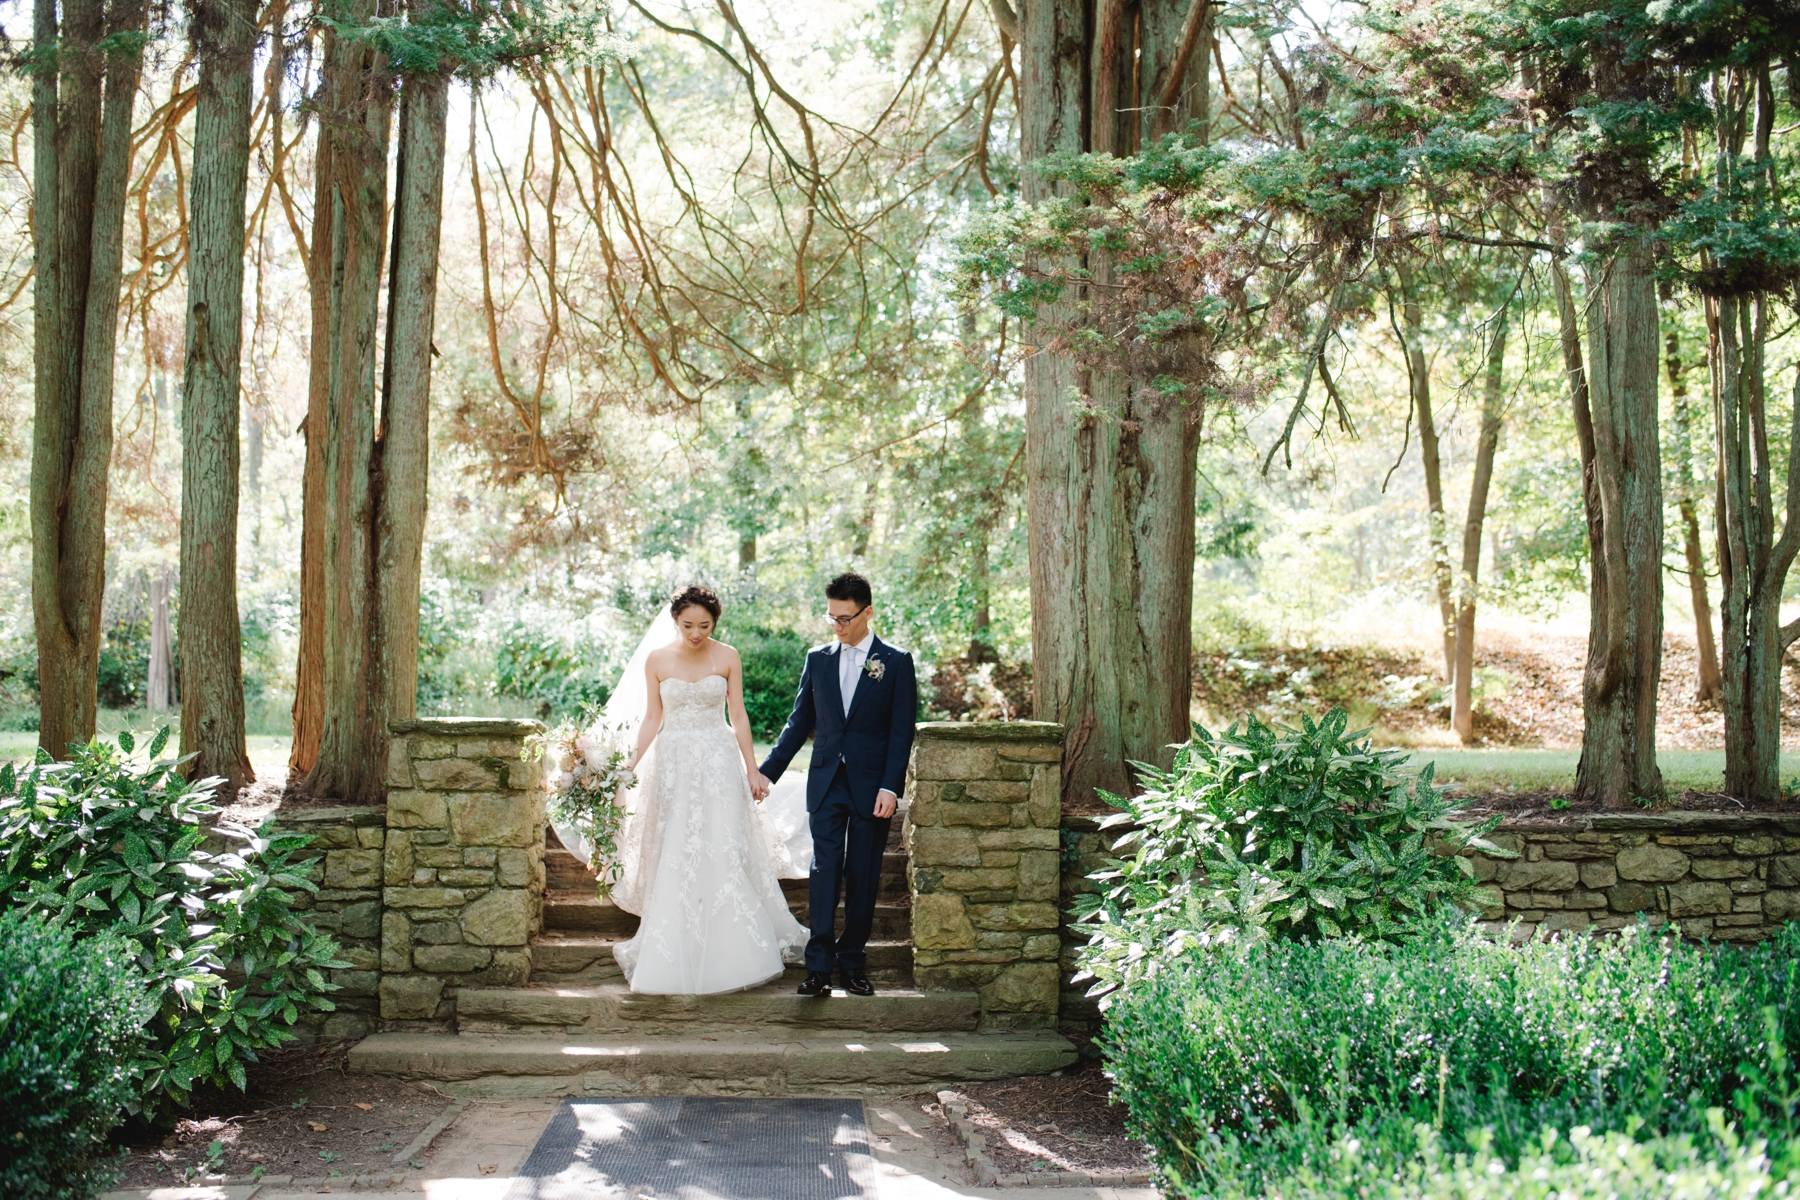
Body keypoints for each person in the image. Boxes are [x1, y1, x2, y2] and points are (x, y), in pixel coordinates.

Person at [599, 586, 808, 994]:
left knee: (722, 844)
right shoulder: (657, 659)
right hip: (673, 764)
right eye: (688, 625)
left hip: (717, 761)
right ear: (675, 620)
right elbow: (652, 719)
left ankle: (734, 950)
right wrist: (625, 769)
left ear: (715, 622)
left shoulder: (727, 655)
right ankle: (675, 947)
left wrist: (753, 771)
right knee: (677, 847)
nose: (696, 633)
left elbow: (740, 716)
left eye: (705, 625)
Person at [760, 572, 918, 998]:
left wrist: (891, 787)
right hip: (827, 781)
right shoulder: (818, 658)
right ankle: (818, 969)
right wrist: (766, 771)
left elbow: (901, 732)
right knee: (823, 870)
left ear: (868, 613)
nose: (837, 626)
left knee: (863, 875)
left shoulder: (897, 662)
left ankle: (852, 964)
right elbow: (799, 724)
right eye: (830, 617)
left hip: (872, 788)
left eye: (845, 618)